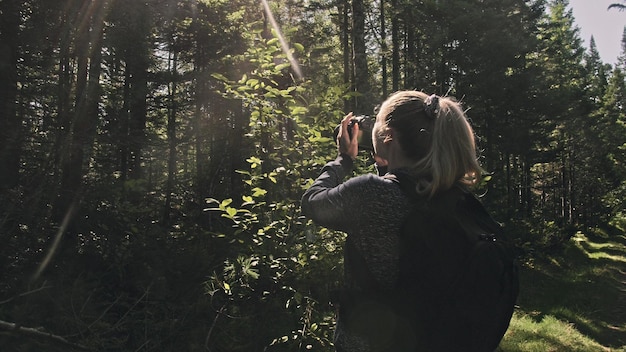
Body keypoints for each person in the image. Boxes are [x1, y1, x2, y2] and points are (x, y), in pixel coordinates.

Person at [300, 90, 484, 351]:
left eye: (376, 122)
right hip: (435, 338)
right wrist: (387, 164)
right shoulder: (452, 192)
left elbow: (312, 202)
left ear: (389, 136)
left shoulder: (372, 194)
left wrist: (344, 159)